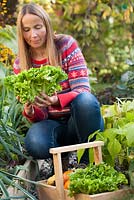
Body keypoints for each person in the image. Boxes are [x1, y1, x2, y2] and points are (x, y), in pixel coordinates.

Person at [14, 3, 104, 167]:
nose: (33, 35)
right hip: (54, 125)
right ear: (21, 32)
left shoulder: (66, 45)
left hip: (82, 120)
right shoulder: (21, 64)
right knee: (35, 142)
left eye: (38, 27)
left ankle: (85, 161)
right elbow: (41, 117)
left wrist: (56, 100)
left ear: (47, 26)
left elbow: (83, 90)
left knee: (85, 101)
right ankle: (63, 158)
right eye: (26, 30)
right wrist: (30, 110)